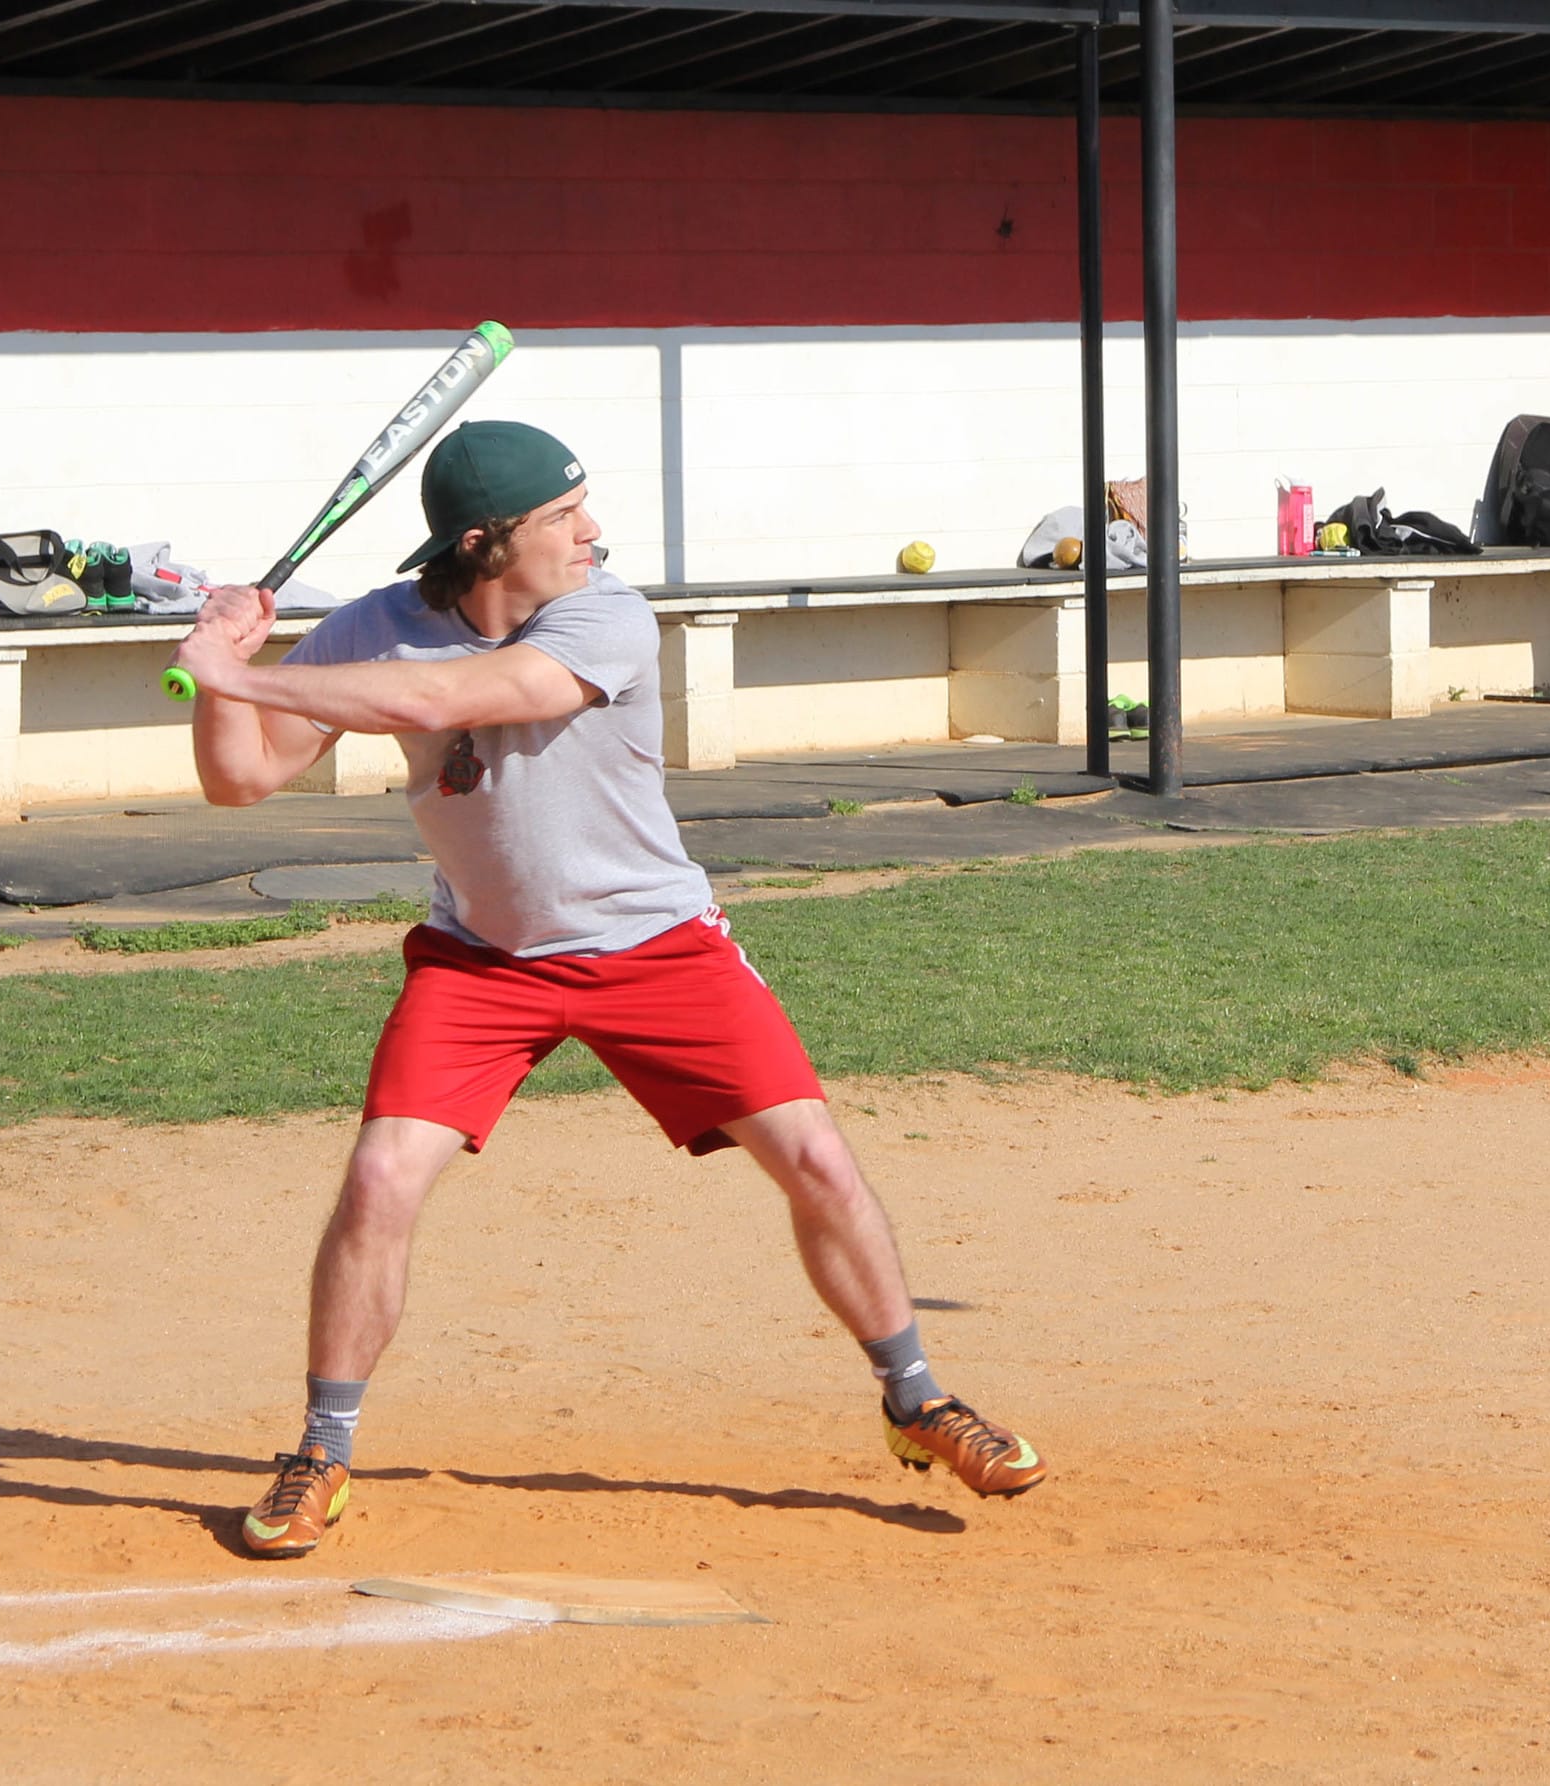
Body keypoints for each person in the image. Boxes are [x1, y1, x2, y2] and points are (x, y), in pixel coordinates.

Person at [169, 420, 1047, 1560]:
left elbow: (468, 697)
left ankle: (916, 1401)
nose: (594, 530)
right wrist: (216, 662)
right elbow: (238, 777)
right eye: (563, 516)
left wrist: (247, 668)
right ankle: (321, 1449)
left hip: (656, 947)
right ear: (487, 545)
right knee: (382, 1174)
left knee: (817, 1157)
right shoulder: (373, 633)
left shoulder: (605, 612)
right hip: (483, 961)